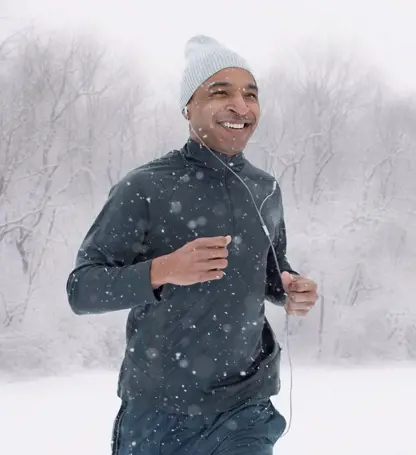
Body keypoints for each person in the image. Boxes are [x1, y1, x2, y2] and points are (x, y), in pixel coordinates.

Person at [66, 34, 318, 455]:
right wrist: (163, 270)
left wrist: (291, 287)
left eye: (250, 94)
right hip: (162, 412)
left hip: (246, 407)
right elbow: (82, 289)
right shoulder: (145, 186)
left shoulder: (265, 188)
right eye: (220, 92)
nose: (241, 105)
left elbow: (272, 271)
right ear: (188, 107)